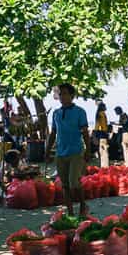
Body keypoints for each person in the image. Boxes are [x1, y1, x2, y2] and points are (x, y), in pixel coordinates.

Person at [46, 83, 91, 218]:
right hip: (60, 153)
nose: (62, 96)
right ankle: (71, 212)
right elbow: (53, 133)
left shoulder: (80, 112)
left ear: (72, 96)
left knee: (73, 182)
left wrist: (88, 150)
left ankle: (83, 204)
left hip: (76, 152)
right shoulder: (56, 113)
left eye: (65, 93)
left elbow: (85, 133)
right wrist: (47, 150)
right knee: (64, 185)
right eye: (60, 94)